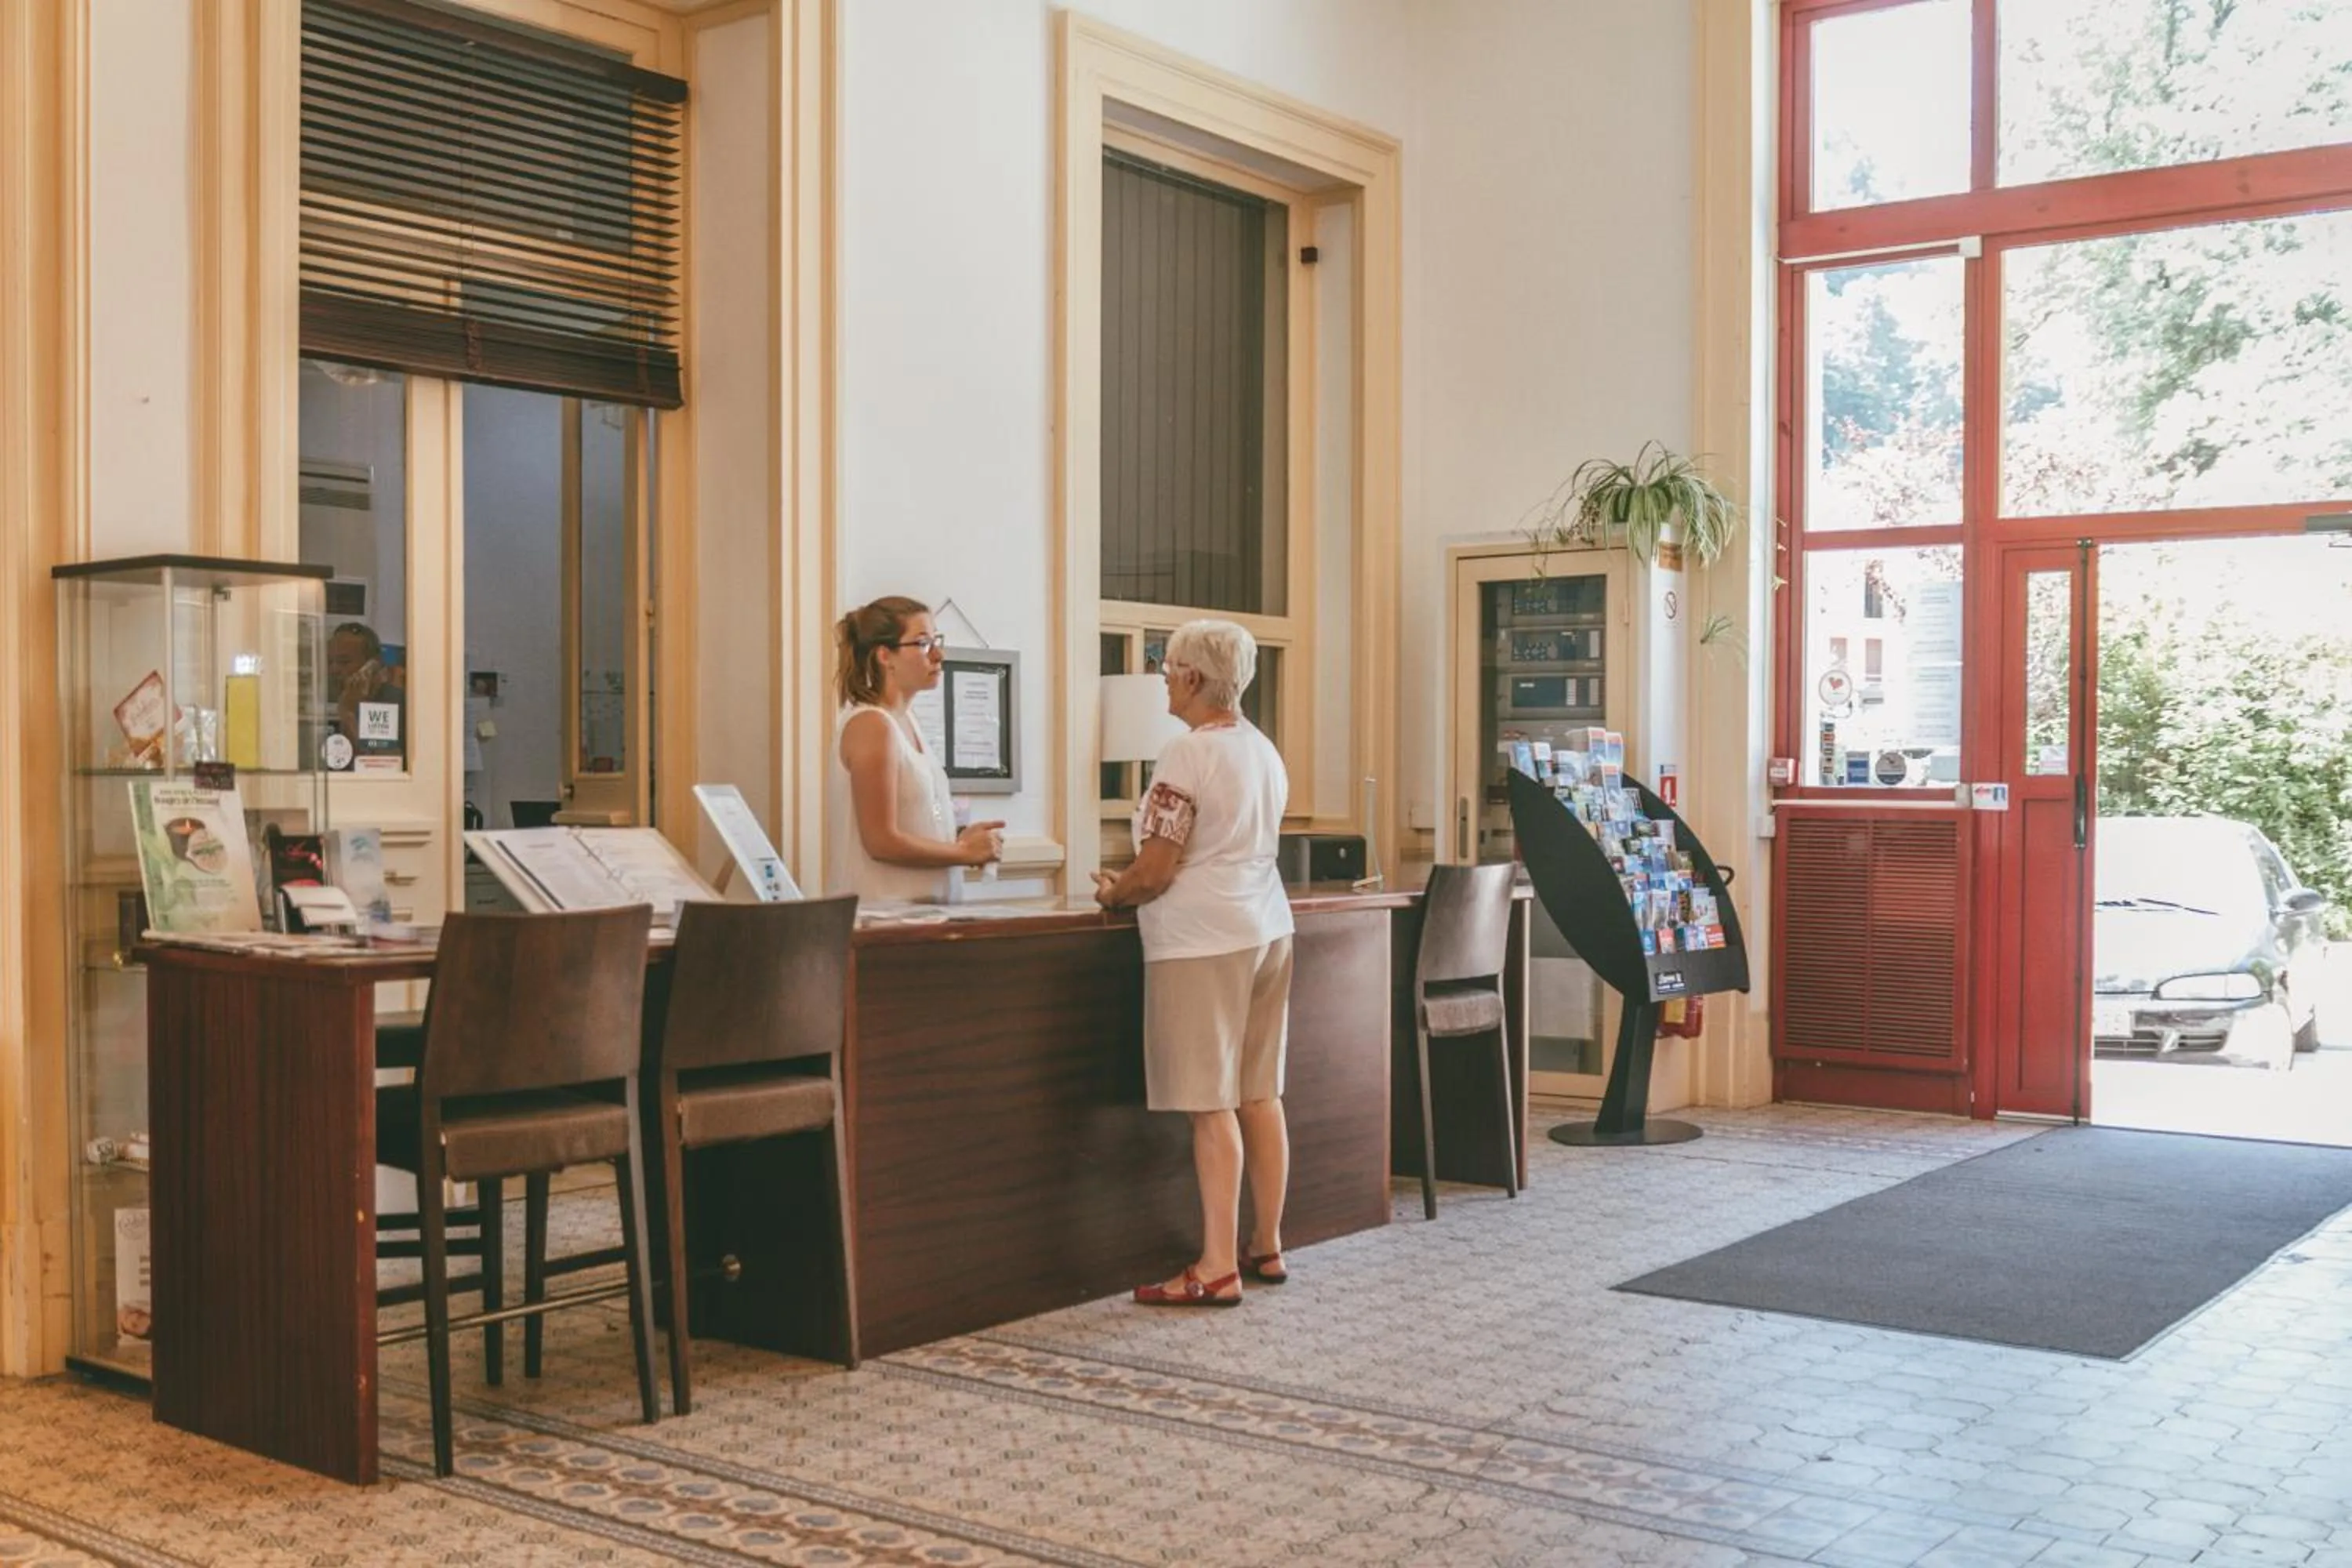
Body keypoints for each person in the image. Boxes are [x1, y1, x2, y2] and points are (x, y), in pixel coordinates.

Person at [1092, 619, 1293, 1308]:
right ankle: (1265, 1243)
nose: (1161, 676)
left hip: (1202, 938)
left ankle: (1215, 1265)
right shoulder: (1263, 750)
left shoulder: (1185, 753)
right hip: (1267, 925)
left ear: (1194, 679)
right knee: (1259, 1092)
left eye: (1167, 664)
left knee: (1210, 1106)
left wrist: (1113, 893)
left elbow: (1154, 869)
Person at [828, 596, 1003, 902]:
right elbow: (880, 841)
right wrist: (961, 852)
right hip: (885, 922)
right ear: (885, 655)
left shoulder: (906, 721)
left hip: (927, 920)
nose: (938, 654)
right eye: (923, 643)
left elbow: (919, 819)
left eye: (936, 641)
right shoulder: (872, 724)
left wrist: (959, 839)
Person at [326, 621, 404, 756]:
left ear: (372, 665)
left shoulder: (392, 703)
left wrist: (349, 715)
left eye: (344, 662)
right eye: (330, 662)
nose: (334, 670)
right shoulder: (346, 699)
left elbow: (383, 764)